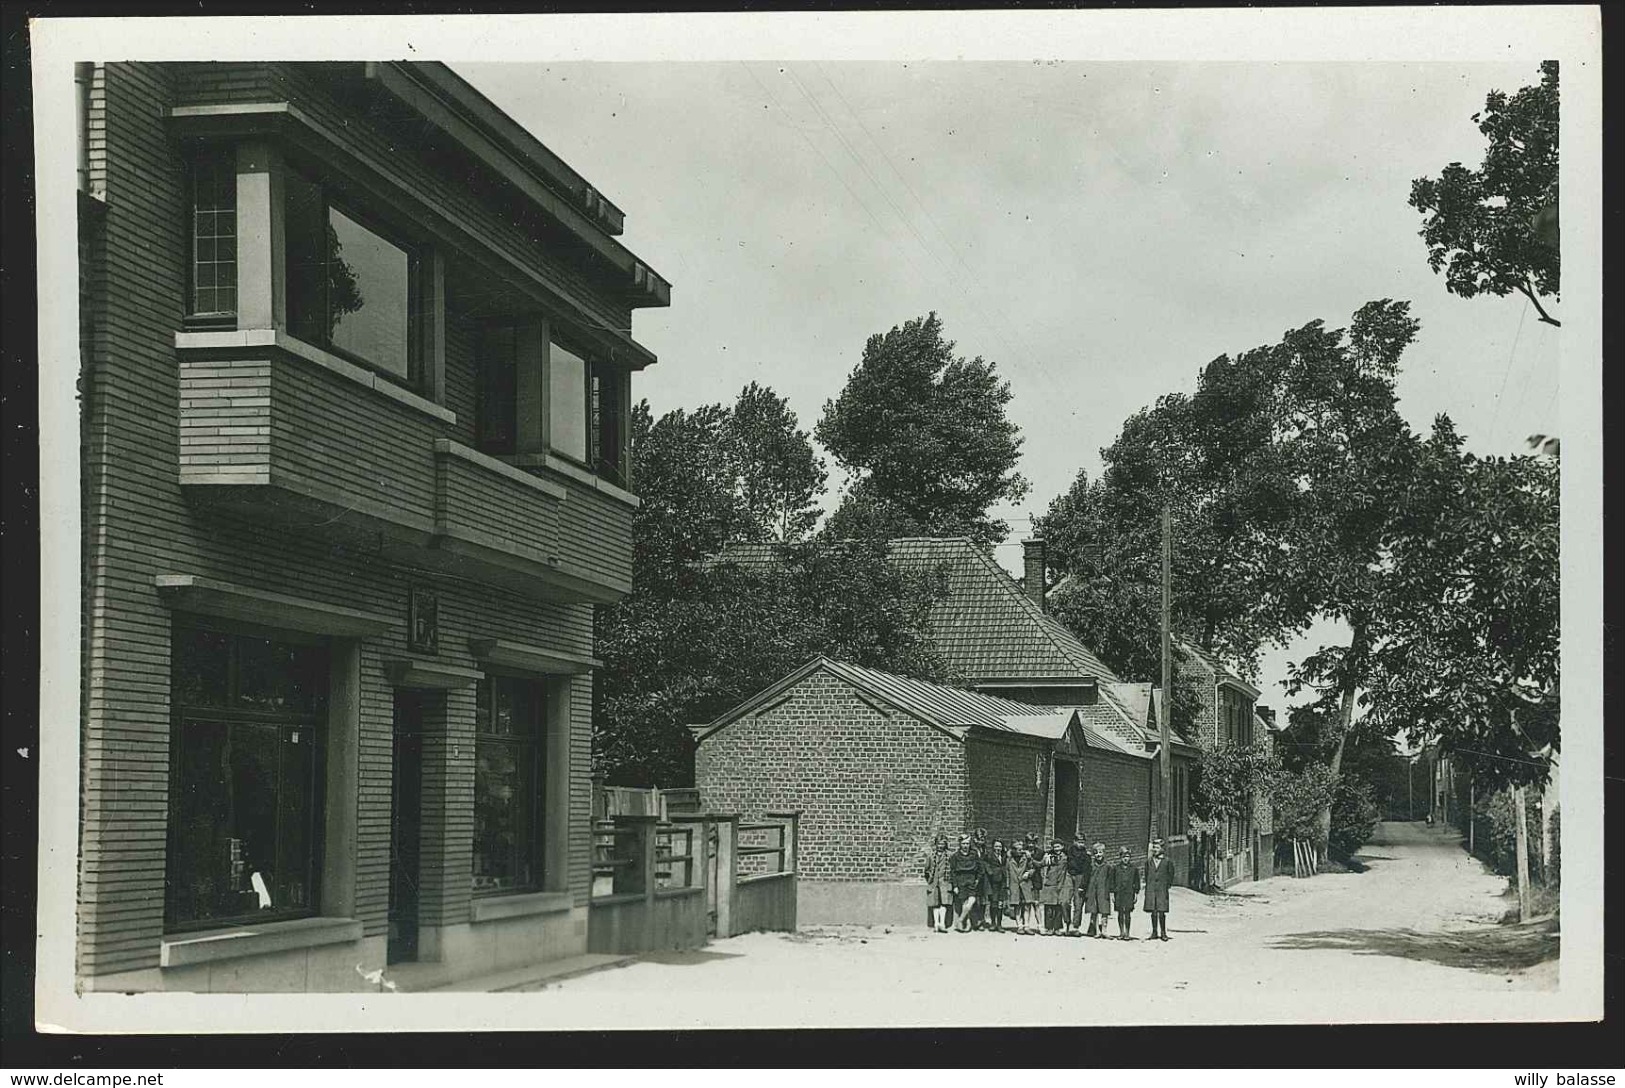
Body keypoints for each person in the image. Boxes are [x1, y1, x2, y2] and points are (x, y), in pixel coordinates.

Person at [949, 834, 984, 932]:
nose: (965, 846)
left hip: (972, 879)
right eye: (963, 843)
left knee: (971, 901)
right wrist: (955, 885)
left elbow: (980, 868)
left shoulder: (974, 854)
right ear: (960, 844)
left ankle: (960, 920)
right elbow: (953, 872)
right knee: (965, 903)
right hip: (961, 880)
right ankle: (967, 924)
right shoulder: (955, 856)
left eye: (967, 844)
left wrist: (977, 879)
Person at [1143, 837, 1174, 941]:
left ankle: (1163, 932)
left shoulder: (1167, 861)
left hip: (1161, 889)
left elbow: (1170, 875)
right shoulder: (1149, 861)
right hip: (1152, 889)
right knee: (1153, 911)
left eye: (1157, 847)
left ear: (1162, 849)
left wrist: (1166, 886)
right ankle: (1154, 931)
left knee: (1161, 911)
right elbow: (1147, 874)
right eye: (1154, 848)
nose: (1155, 850)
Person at [1064, 832, 1093, 937]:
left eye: (1082, 842)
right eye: (1079, 842)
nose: (1081, 844)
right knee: (1065, 901)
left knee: (1078, 903)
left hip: (1080, 877)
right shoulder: (1069, 851)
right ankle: (1067, 923)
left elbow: (1087, 872)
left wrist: (1082, 886)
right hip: (1069, 876)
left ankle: (1075, 927)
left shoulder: (1086, 856)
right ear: (1074, 841)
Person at [1039, 839, 1071, 935]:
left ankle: (1057, 928)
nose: (1057, 849)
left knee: (1058, 907)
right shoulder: (1049, 857)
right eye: (1055, 847)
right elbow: (1041, 864)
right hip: (1050, 884)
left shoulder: (1065, 857)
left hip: (1061, 884)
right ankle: (1049, 927)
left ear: (1062, 847)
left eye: (1058, 846)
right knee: (1049, 907)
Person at [1109, 845, 1141, 939]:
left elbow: (1136, 882)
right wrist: (1112, 894)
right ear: (1120, 857)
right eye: (1123, 857)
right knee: (1120, 912)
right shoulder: (1115, 868)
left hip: (1129, 893)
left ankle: (1127, 932)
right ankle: (1121, 932)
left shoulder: (1133, 869)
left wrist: (1136, 894)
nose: (1125, 859)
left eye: (1127, 857)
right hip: (1119, 893)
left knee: (1127, 913)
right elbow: (1112, 882)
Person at [924, 832, 951, 932]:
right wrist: (930, 880)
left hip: (945, 882)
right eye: (939, 844)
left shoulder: (949, 856)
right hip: (934, 883)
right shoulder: (931, 856)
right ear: (936, 844)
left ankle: (942, 923)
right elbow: (926, 870)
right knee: (935, 904)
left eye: (942, 844)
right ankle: (936, 924)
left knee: (944, 903)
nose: (940, 846)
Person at [1084, 841, 1112, 938]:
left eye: (1100, 852)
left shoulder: (1107, 866)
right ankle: (1094, 929)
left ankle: (1104, 930)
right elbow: (1087, 877)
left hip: (1103, 890)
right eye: (1096, 853)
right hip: (1092, 890)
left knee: (1104, 910)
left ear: (1104, 853)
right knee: (1093, 910)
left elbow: (1110, 879)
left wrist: (1109, 890)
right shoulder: (1091, 865)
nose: (1098, 855)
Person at [984, 840, 1010, 932]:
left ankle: (999, 924)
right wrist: (990, 872)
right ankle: (993, 923)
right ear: (993, 847)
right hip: (993, 882)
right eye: (996, 846)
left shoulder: (1004, 855)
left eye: (1000, 846)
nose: (998, 848)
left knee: (1000, 903)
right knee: (993, 903)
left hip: (1002, 882)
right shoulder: (989, 856)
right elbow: (985, 864)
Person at [1006, 839, 1032, 933]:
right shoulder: (1009, 859)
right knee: (1017, 906)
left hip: (1025, 884)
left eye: (1022, 849)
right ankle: (1019, 926)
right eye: (1018, 849)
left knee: (1027, 905)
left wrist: (1028, 873)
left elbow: (1032, 868)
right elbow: (1006, 873)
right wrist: (1008, 886)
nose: (1020, 851)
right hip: (1014, 884)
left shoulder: (1026, 858)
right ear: (1013, 850)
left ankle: (1027, 926)